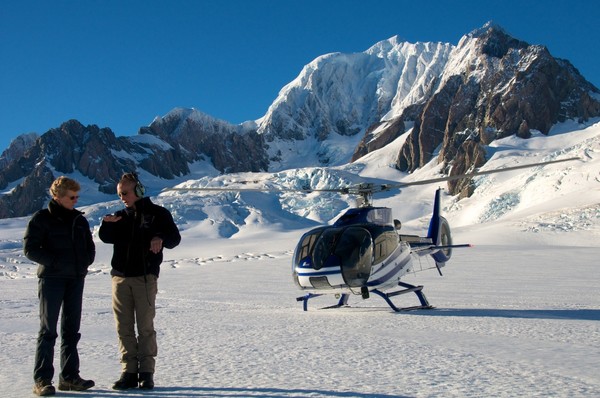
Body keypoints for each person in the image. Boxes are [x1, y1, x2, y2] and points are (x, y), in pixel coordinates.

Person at [99, 172, 181, 390]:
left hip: (145, 278)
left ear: (139, 190)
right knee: (123, 327)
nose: (122, 197)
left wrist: (159, 237)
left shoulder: (158, 214)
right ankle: (128, 372)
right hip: (120, 278)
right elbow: (106, 238)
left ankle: (146, 373)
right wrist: (107, 224)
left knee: (145, 327)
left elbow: (175, 239)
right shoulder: (120, 216)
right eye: (119, 194)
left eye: (125, 193)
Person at [24, 176, 96, 396]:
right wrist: (55, 262)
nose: (76, 200)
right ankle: (42, 380)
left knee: (71, 331)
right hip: (52, 280)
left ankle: (69, 377)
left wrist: (84, 262)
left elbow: (89, 247)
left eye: (77, 196)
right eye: (71, 197)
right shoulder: (41, 219)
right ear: (58, 196)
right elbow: (30, 249)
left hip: (75, 279)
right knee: (48, 331)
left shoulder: (79, 219)